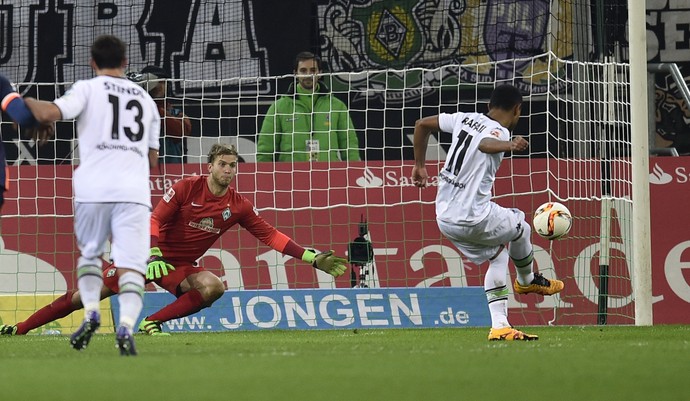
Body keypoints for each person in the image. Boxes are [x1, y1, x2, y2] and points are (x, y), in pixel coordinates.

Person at [0, 143, 347, 337]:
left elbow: (270, 234)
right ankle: (21, 328)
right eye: (223, 164)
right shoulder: (185, 188)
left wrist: (310, 258)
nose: (229, 170)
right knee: (85, 296)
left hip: (178, 266)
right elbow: (154, 218)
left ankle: (152, 322)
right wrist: (152, 255)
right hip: (143, 254)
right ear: (209, 166)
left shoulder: (238, 205)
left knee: (213, 286)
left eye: (233, 166)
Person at [23, 35, 160, 355]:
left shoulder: (87, 88)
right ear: (125, 62)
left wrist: (23, 104)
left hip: (93, 189)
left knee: (91, 257)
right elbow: (152, 158)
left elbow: (49, 114)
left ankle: (92, 313)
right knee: (131, 266)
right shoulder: (147, 101)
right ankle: (126, 325)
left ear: (92, 62)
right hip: (134, 192)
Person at [410, 84, 564, 341]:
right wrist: (509, 143)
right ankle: (527, 280)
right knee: (522, 226)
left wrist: (419, 166)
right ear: (517, 110)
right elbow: (484, 143)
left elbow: (421, 124)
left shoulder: (464, 118)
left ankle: (500, 326)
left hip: (445, 218)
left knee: (498, 258)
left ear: (488, 106)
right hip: (475, 218)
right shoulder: (499, 131)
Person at [257, 51, 361, 162]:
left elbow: (350, 146)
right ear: (295, 73)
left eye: (313, 70)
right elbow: (265, 150)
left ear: (320, 73)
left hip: (328, 175)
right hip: (290, 176)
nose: (308, 74)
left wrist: (353, 172)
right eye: (303, 70)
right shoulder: (279, 107)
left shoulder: (337, 106)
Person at [128, 66, 191, 163]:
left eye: (163, 82)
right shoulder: (135, 111)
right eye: (156, 82)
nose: (160, 86)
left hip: (174, 171)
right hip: (143, 167)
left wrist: (151, 107)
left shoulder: (176, 113)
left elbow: (181, 131)